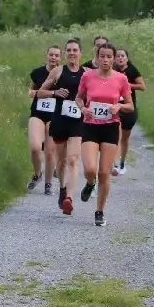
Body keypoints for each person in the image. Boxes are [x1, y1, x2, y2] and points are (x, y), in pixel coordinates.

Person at [75, 43, 132, 227]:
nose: (105, 60)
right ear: (97, 58)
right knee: (90, 170)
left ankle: (99, 212)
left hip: (110, 127)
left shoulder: (121, 79)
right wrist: (83, 109)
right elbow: (78, 98)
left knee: (104, 172)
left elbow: (130, 106)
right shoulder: (87, 76)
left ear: (114, 59)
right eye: (102, 56)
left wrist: (119, 106)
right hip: (90, 126)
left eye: (109, 56)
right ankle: (90, 183)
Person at [35, 38, 87, 215]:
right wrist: (54, 92)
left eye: (75, 50)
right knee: (62, 160)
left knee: (73, 159)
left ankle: (69, 198)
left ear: (81, 53)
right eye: (69, 50)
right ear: (65, 54)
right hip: (60, 121)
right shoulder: (58, 71)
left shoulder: (87, 73)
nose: (72, 53)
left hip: (78, 121)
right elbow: (40, 93)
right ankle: (63, 188)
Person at [27, 45, 62, 194]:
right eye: (51, 54)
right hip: (38, 113)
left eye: (56, 55)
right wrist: (34, 93)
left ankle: (48, 184)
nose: (53, 57)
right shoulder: (38, 72)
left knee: (49, 151)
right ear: (46, 55)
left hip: (55, 115)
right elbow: (32, 90)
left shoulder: (63, 74)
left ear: (60, 58)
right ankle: (37, 174)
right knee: (35, 147)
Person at [113, 48, 146, 176]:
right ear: (114, 58)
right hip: (115, 108)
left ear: (127, 58)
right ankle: (115, 164)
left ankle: (122, 162)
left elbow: (142, 86)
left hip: (128, 108)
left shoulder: (132, 70)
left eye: (123, 56)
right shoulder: (112, 70)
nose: (120, 58)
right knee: (116, 135)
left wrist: (126, 85)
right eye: (118, 56)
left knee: (125, 138)